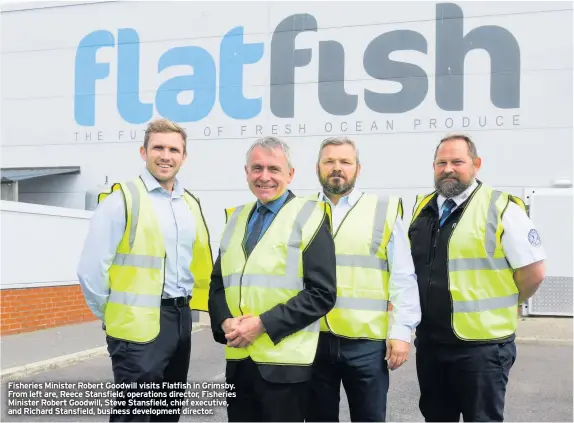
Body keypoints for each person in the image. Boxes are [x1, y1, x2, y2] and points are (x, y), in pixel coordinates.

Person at [77, 118, 214, 422]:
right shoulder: (121, 200)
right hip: (136, 327)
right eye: (158, 148)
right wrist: (112, 314)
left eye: (174, 149)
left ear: (184, 156)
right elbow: (91, 269)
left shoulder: (190, 203)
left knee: (167, 414)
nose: (166, 155)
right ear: (143, 152)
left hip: (180, 320)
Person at [408, 134, 546, 422]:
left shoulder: (502, 208)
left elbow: (534, 272)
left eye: (457, 161)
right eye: (441, 162)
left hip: (482, 348)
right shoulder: (421, 207)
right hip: (432, 344)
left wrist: (509, 300)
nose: (448, 168)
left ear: (476, 164)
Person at [208, 136, 337, 422]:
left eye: (274, 169)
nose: (264, 177)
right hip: (240, 361)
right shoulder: (235, 218)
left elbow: (322, 293)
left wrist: (262, 325)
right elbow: (218, 284)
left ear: (290, 174)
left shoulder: (310, 216)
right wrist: (224, 321)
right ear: (246, 172)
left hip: (285, 366)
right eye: (257, 168)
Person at [305, 137, 422, 422]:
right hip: (312, 339)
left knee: (369, 417)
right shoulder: (300, 210)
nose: (337, 168)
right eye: (329, 161)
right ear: (317, 167)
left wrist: (401, 332)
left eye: (345, 162)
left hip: (366, 343)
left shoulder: (382, 210)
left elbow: (403, 275)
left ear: (358, 168)